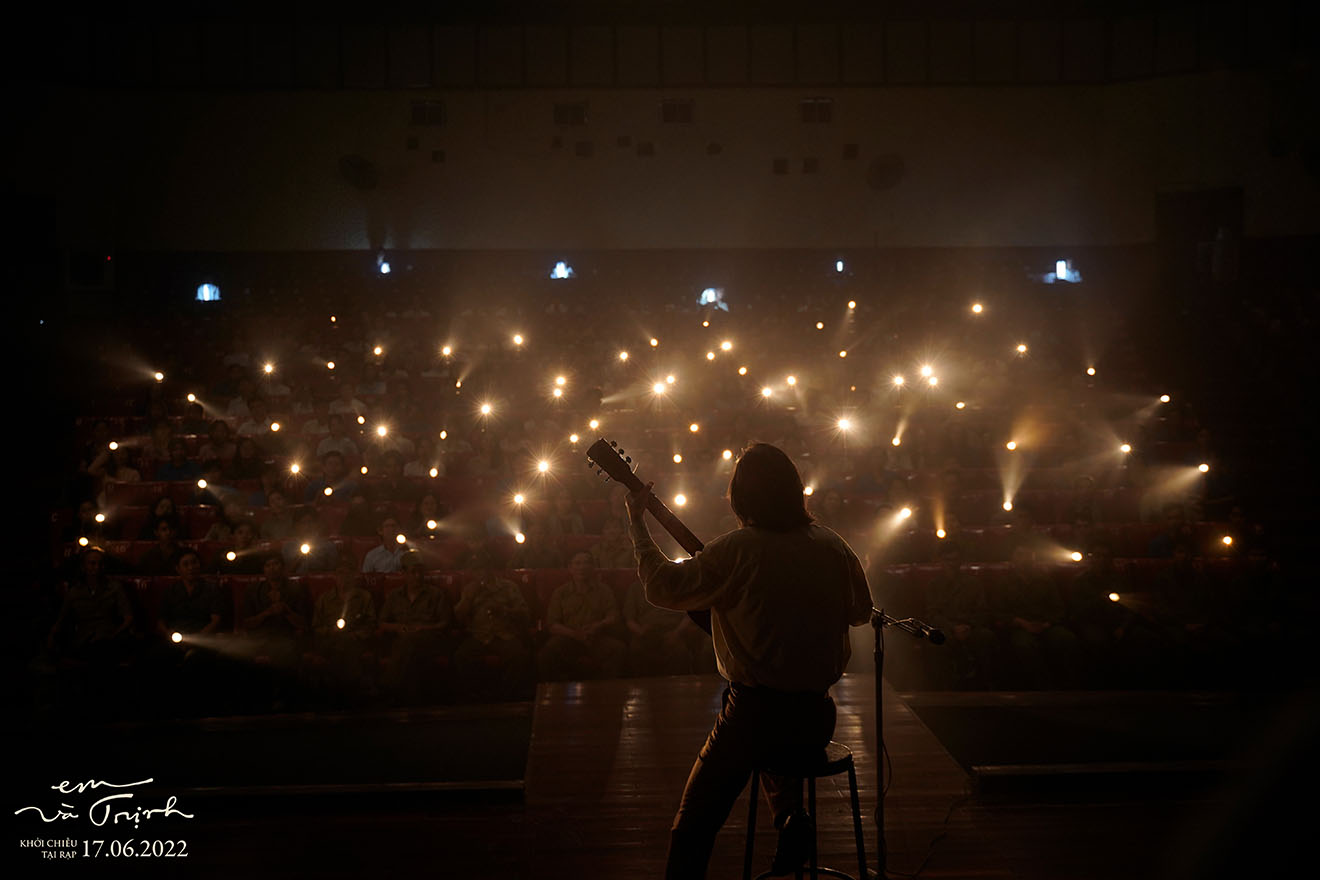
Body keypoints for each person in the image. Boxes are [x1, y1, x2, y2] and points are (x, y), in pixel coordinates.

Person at [625, 443, 873, 879]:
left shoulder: (735, 549)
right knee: (777, 746)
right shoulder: (834, 545)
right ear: (796, 492)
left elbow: (662, 587)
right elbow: (859, 612)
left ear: (740, 497)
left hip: (755, 715)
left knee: (693, 821)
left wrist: (637, 523)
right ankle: (790, 818)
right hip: (817, 716)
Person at [452, 550, 533, 700]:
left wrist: (505, 611)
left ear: (490, 569)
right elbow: (458, 617)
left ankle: (507, 696)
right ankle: (476, 696)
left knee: (519, 656)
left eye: (483, 568)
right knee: (461, 656)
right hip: (478, 635)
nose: (480, 573)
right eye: (476, 569)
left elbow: (524, 613)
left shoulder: (508, 587)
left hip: (505, 634)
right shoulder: (469, 589)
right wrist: (468, 598)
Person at [377, 551, 454, 702]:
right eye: (413, 572)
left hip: (430, 641)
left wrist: (423, 629)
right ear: (404, 573)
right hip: (402, 641)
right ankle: (410, 700)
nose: (417, 576)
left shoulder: (436, 594)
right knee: (408, 647)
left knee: (409, 642)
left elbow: (445, 623)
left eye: (420, 572)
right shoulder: (394, 596)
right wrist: (398, 627)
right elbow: (381, 622)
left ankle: (387, 688)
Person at [537, 551, 626, 681]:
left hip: (596, 637)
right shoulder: (561, 592)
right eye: (577, 563)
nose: (582, 567)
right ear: (570, 568)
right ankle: (555, 694)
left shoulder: (604, 590)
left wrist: (598, 626)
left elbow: (613, 615)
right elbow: (552, 623)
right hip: (568, 638)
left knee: (619, 650)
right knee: (546, 655)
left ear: (593, 567)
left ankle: (607, 692)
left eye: (586, 563)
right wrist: (574, 634)